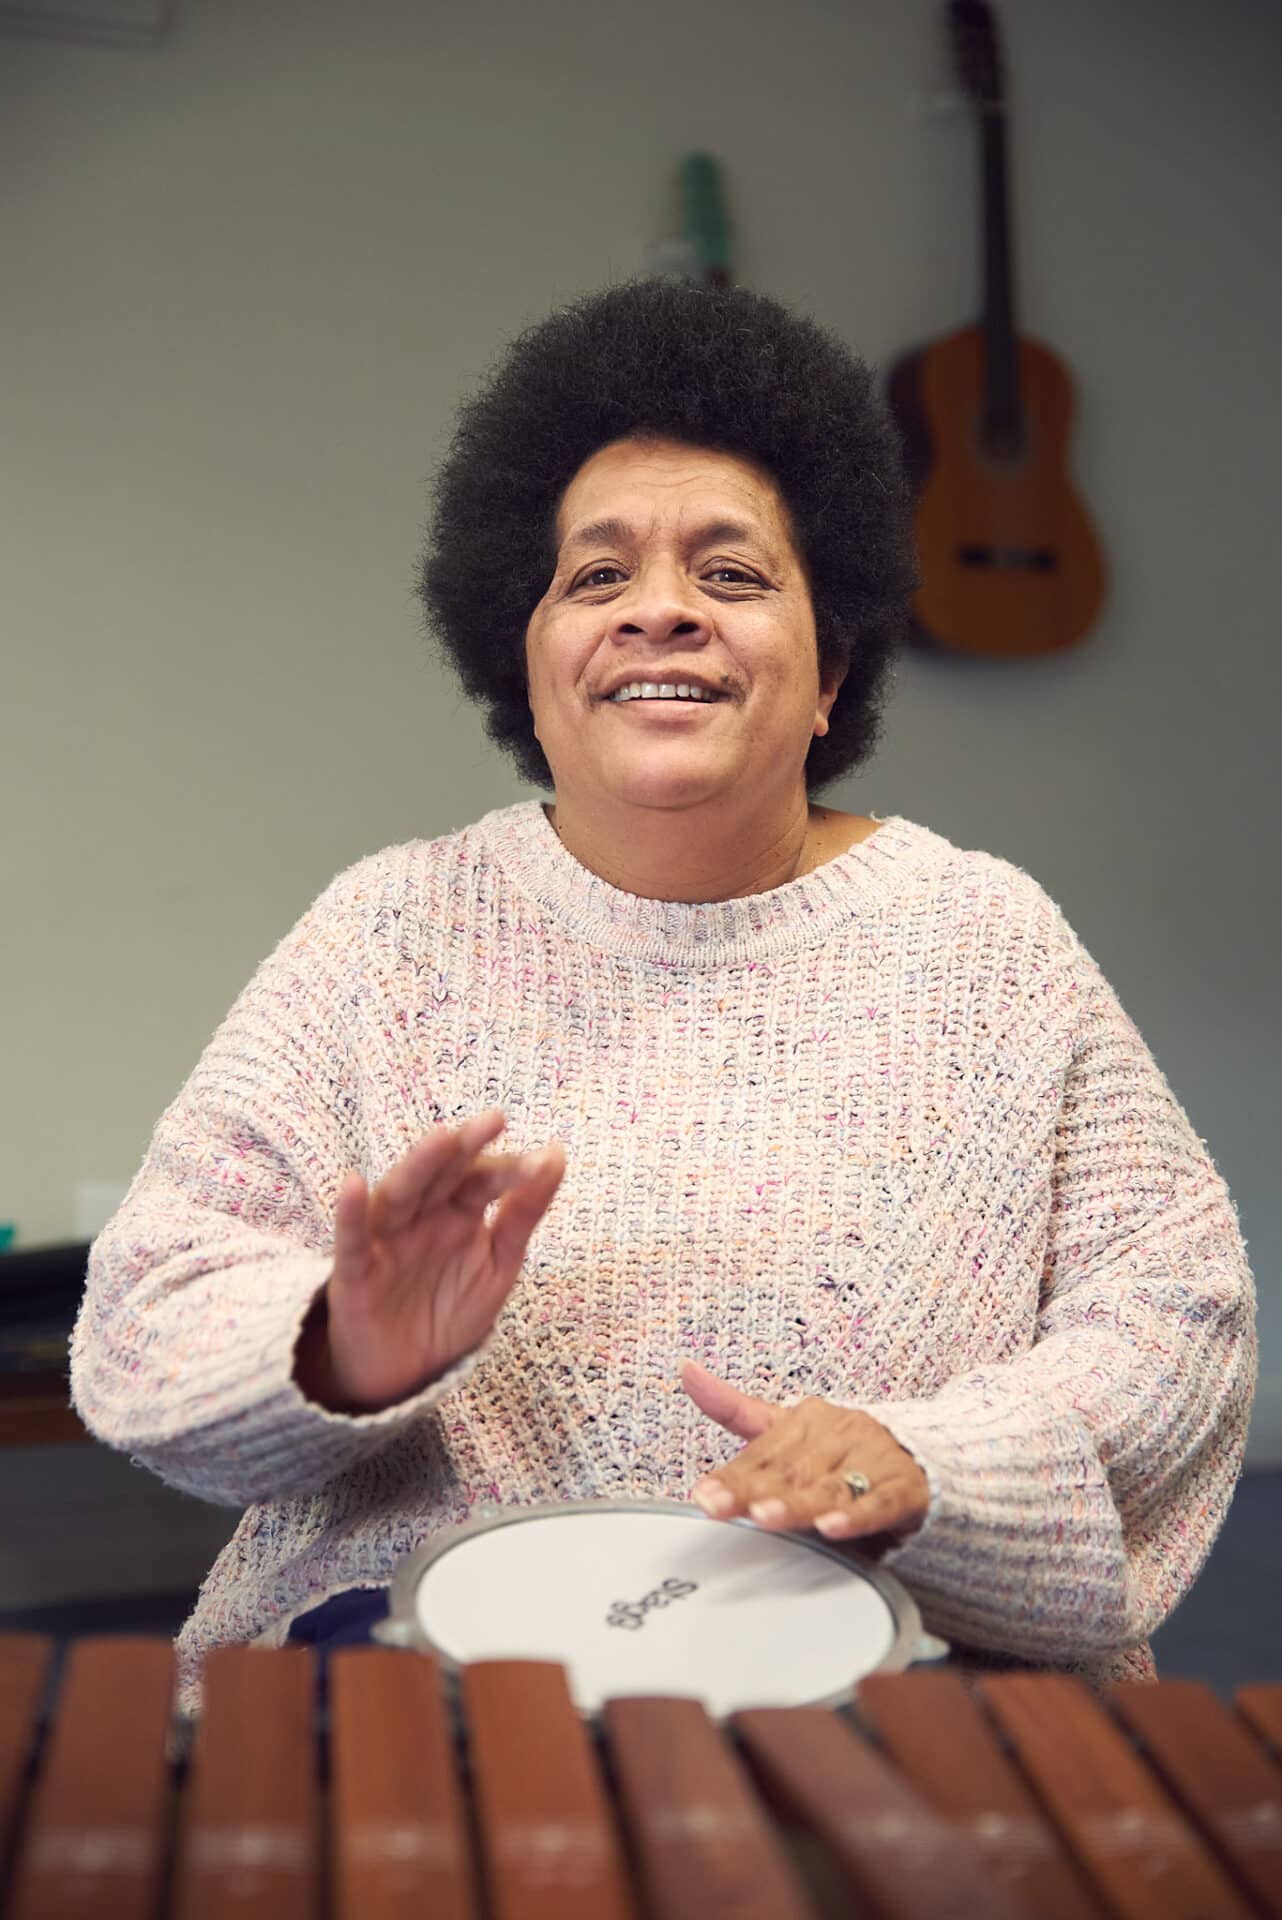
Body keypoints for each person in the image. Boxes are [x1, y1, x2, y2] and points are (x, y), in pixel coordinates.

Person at [72, 279, 1256, 1704]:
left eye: (733, 575)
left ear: (832, 670)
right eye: (596, 578)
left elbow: (1176, 1317)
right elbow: (147, 1317)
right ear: (524, 663)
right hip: (415, 1678)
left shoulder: (987, 941)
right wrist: (339, 1341)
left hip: (902, 1689)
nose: (661, 613)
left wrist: (936, 1465)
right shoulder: (386, 933)